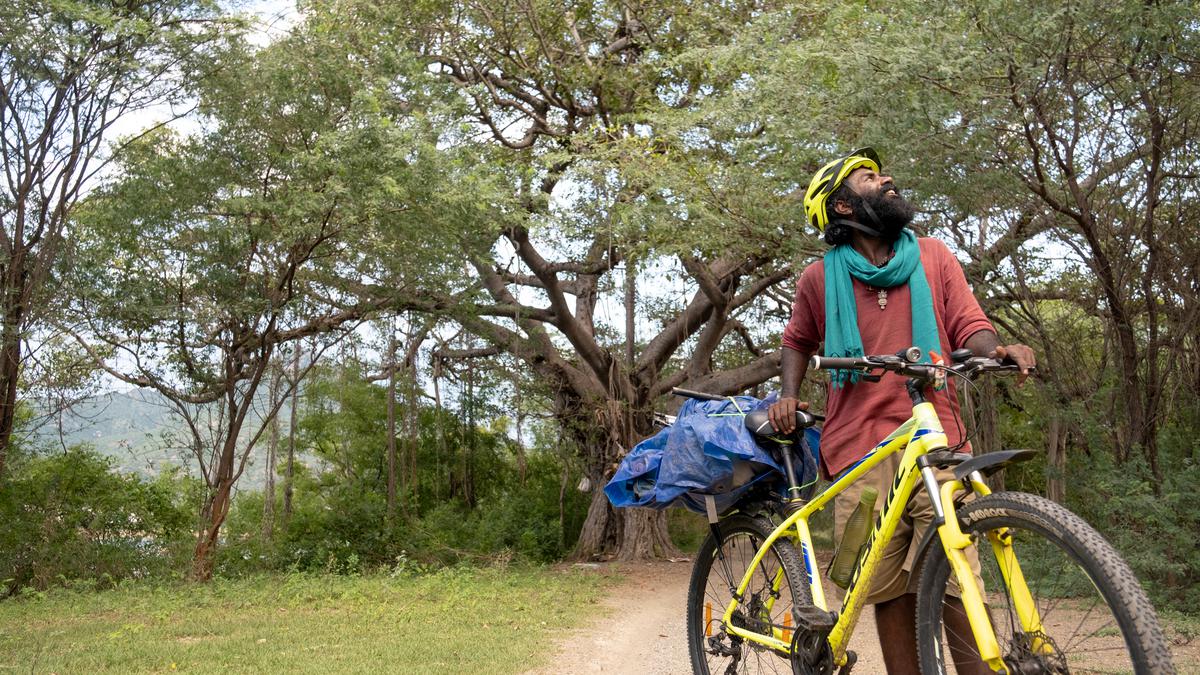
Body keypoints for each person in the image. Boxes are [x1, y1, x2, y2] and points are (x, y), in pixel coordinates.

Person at [767, 148, 1036, 675]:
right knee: (884, 587)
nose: (886, 178)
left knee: (956, 576)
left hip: (937, 438)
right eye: (868, 177)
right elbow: (797, 340)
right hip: (858, 452)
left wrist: (994, 350)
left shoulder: (934, 256)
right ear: (842, 207)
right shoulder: (818, 279)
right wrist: (788, 393)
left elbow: (969, 323)